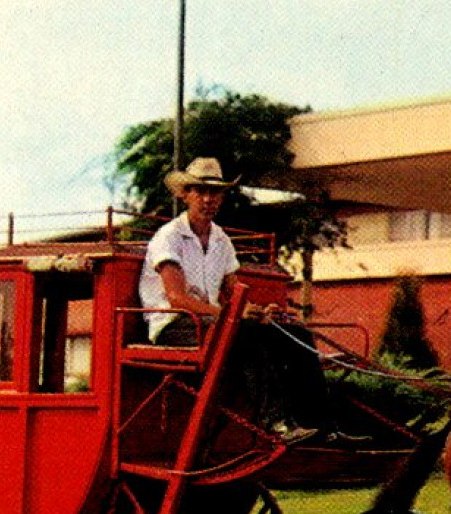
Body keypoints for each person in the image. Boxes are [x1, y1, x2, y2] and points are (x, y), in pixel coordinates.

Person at [139, 157, 339, 445]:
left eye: (215, 193)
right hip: (173, 325)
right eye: (200, 191)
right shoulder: (168, 237)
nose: (208, 199)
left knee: (296, 334)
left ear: (221, 197)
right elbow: (177, 299)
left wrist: (255, 311)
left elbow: (235, 293)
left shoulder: (221, 240)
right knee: (244, 335)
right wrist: (233, 315)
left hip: (209, 321)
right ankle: (277, 423)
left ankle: (323, 426)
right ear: (186, 194)